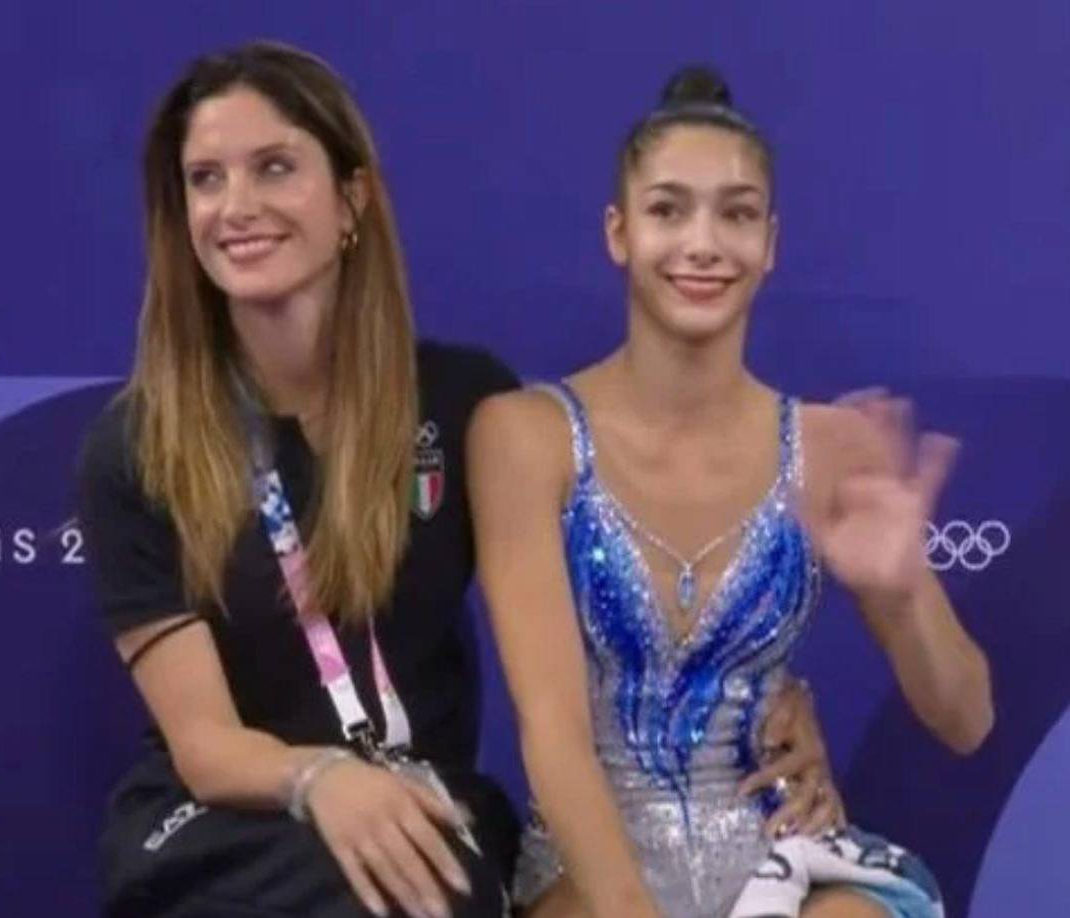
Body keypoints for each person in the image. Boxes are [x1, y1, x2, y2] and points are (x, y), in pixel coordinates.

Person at [78, 42, 845, 918]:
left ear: (352, 198)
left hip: (427, 813)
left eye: (275, 168)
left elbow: (635, 579)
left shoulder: (463, 403)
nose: (237, 206)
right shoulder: (135, 448)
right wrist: (322, 779)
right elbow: (206, 746)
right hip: (229, 820)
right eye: (205, 180)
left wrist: (765, 699)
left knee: (427, 878)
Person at [467, 66, 994, 918]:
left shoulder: (833, 446)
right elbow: (554, 733)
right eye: (668, 210)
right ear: (618, 232)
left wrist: (902, 597)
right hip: (589, 870)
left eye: (737, 214)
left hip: (781, 860)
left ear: (771, 242)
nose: (704, 244)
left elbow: (967, 719)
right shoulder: (524, 435)